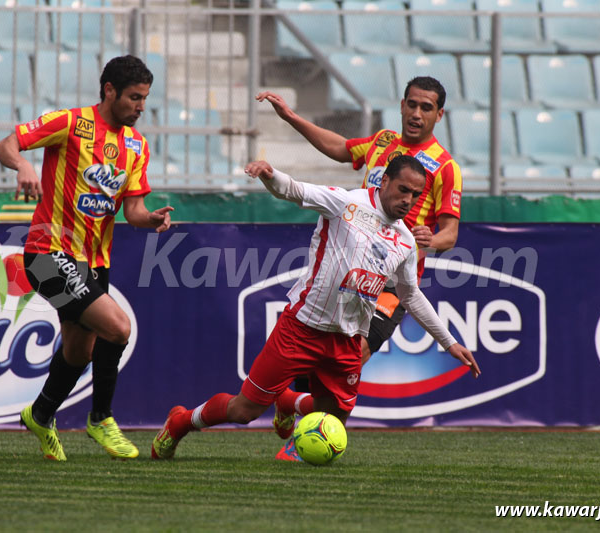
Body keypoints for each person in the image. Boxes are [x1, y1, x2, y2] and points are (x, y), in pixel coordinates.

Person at [151, 156, 479, 460]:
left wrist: (449, 342)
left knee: (333, 420)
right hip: (301, 329)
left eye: (416, 195)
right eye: (403, 189)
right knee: (244, 411)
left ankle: (288, 403)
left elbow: (409, 295)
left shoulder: (406, 239)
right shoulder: (347, 203)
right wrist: (270, 175)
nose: (408, 199)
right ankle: (180, 422)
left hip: (347, 341)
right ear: (384, 181)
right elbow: (295, 190)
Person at [256, 77, 462, 447]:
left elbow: (450, 233)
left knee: (357, 352)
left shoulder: (445, 167)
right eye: (412, 104)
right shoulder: (384, 142)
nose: (417, 114)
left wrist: (430, 240)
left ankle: (301, 439)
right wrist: (291, 118)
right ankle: (291, 403)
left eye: (426, 107)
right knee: (319, 360)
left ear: (439, 114)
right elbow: (340, 147)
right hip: (350, 269)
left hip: (391, 283)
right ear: (402, 105)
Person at [0, 55, 173, 461]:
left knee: (79, 351)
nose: (141, 106)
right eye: (134, 97)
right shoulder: (71, 123)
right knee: (119, 328)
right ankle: (101, 418)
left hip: (94, 263)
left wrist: (150, 219)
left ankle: (40, 414)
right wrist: (22, 165)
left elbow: (133, 211)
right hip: (48, 254)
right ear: (109, 90)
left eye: (145, 98)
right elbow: (5, 145)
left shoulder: (136, 146)